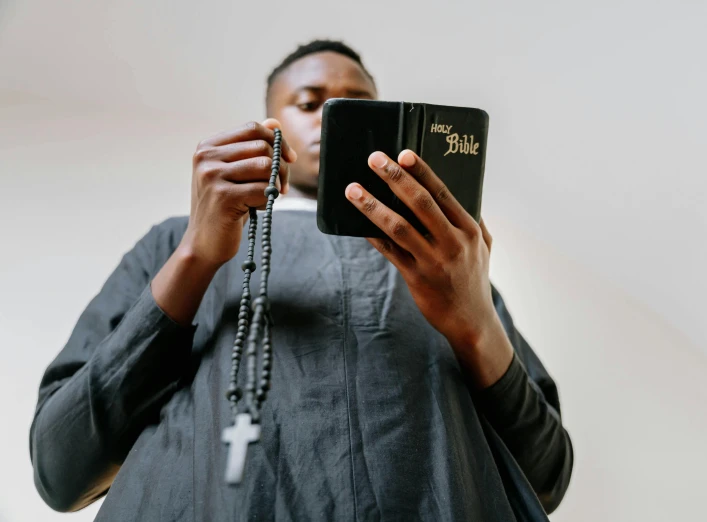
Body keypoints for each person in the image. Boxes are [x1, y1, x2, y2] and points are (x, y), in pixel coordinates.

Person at [29, 40, 573, 521]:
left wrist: (475, 319)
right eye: (310, 104)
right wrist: (195, 255)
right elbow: (62, 466)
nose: (331, 118)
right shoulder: (174, 241)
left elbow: (545, 477)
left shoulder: (449, 260)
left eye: (359, 106)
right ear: (272, 126)